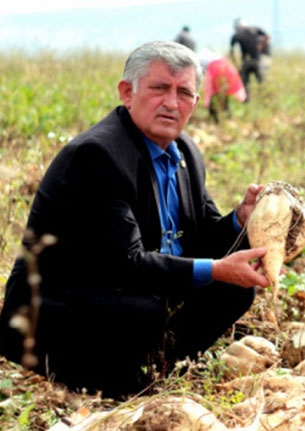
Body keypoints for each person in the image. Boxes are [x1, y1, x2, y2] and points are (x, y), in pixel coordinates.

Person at [0, 40, 271, 399]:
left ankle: (161, 365)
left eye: (185, 92)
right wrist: (217, 269)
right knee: (145, 312)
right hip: (54, 309)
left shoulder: (185, 151)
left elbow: (203, 236)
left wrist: (239, 219)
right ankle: (109, 380)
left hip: (130, 295)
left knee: (235, 288)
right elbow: (124, 265)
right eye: (159, 89)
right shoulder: (97, 156)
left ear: (196, 101)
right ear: (128, 93)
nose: (172, 103)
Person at [198, 47, 247, 123]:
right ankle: (225, 118)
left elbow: (204, 77)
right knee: (223, 97)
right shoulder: (218, 59)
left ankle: (215, 120)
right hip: (225, 75)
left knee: (214, 98)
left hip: (217, 75)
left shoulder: (203, 59)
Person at [229, 18, 271, 102]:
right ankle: (265, 101)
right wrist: (261, 47)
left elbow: (231, 52)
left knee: (245, 85)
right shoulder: (255, 30)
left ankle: (246, 102)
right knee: (261, 82)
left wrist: (236, 64)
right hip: (256, 61)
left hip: (246, 62)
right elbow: (267, 36)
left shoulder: (236, 35)